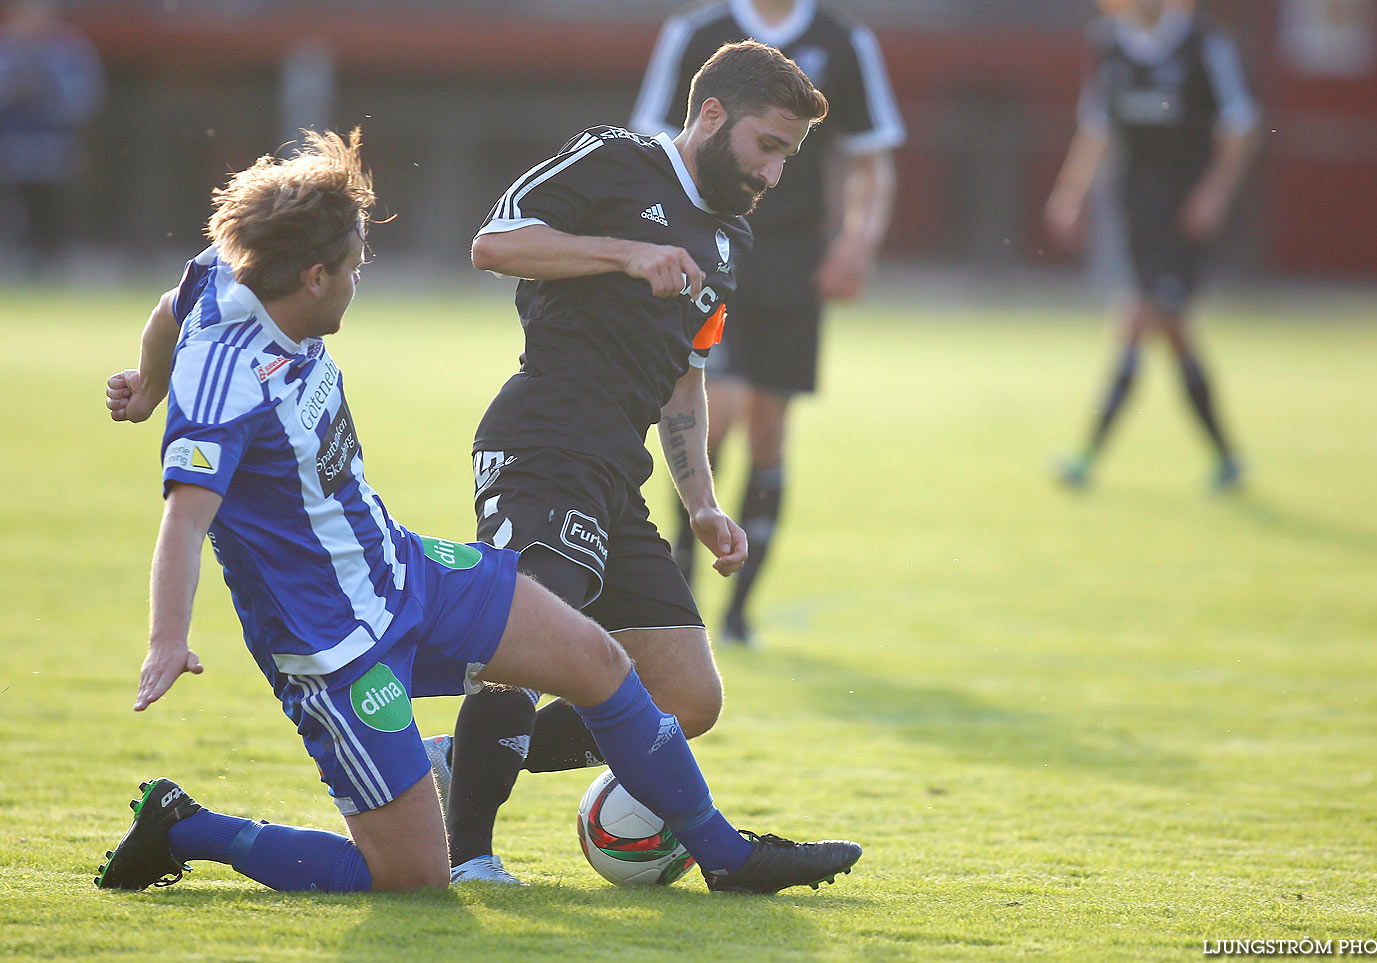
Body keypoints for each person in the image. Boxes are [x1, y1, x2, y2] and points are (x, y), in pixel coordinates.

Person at [95, 128, 860, 895]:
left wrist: (147, 380)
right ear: (316, 275)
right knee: (410, 878)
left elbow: (171, 305)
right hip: (333, 641)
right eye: (357, 268)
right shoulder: (228, 379)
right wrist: (167, 639)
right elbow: (184, 520)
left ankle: (728, 855)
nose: (361, 283)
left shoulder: (222, 277)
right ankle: (186, 825)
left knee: (597, 660)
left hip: (404, 568)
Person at [422, 40, 831, 885]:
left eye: (788, 157)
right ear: (712, 114)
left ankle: (458, 755)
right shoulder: (615, 159)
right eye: (768, 146)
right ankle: (469, 859)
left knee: (689, 699)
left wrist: (705, 500)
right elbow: (493, 244)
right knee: (522, 648)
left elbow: (685, 374)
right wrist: (621, 250)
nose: (773, 174)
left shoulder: (730, 241)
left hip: (619, 474)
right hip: (540, 443)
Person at [632, 0, 904, 643]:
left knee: (770, 433)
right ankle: (684, 588)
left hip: (794, 261)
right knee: (711, 414)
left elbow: (871, 160)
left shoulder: (842, 41)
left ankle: (739, 612)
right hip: (713, 248)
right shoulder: (697, 34)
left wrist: (857, 243)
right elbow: (652, 144)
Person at [1045, 0, 1257, 491]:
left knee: (1140, 317)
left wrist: (1214, 194)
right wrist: (1070, 193)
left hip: (1185, 215)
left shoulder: (1203, 41)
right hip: (1135, 209)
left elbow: (1241, 125)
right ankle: (1228, 459)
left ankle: (1086, 458)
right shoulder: (1110, 43)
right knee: (1171, 328)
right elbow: (1096, 126)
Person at [0, 0, 104, 275]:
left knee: (52, 203)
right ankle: (18, 257)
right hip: (12, 140)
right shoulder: (6, 47)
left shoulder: (68, 48)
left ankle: (52, 259)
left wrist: (46, 91)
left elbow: (84, 96)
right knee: (16, 203)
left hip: (54, 140)